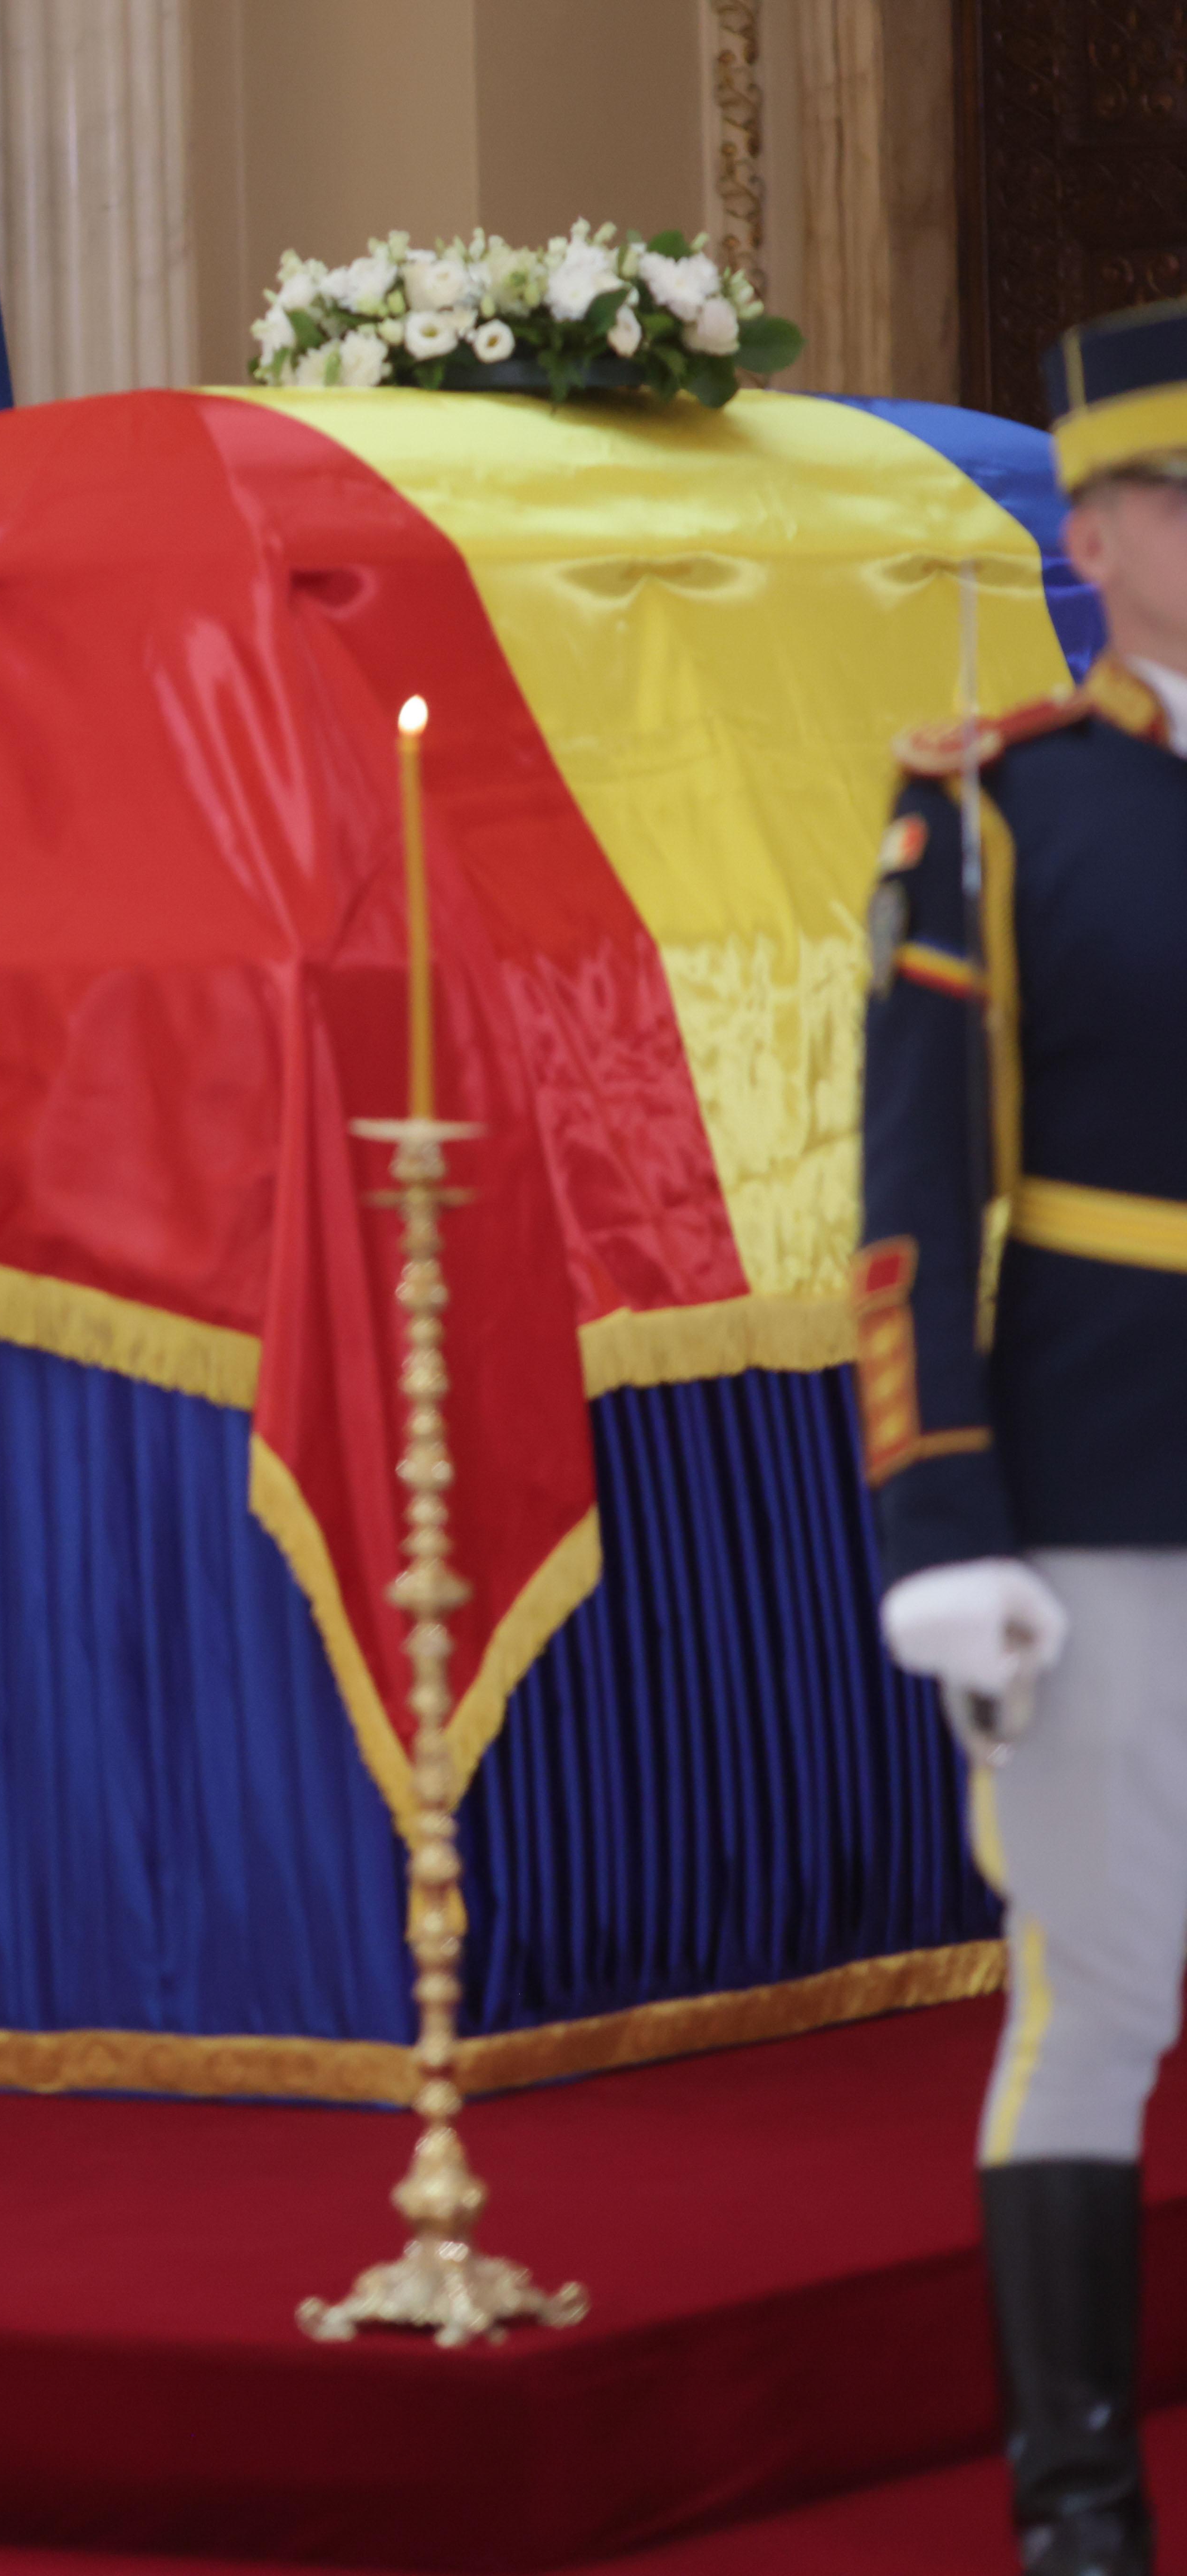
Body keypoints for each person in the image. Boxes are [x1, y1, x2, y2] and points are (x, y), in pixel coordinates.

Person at [863, 296, 1187, 2576]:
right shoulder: (995, 806)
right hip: (1109, 1488)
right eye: (1177, 491)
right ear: (1089, 528)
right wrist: (945, 1511)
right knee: (1099, 2002)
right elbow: (908, 1195)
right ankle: (1080, 2519)